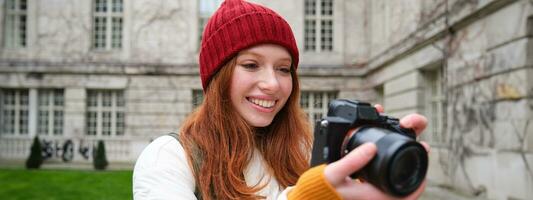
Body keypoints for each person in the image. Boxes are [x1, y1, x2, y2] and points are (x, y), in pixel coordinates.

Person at [132, 0, 430, 199]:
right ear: (217, 77)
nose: (273, 84)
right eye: (250, 65)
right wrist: (310, 195)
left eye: (284, 69)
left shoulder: (303, 150)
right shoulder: (168, 158)